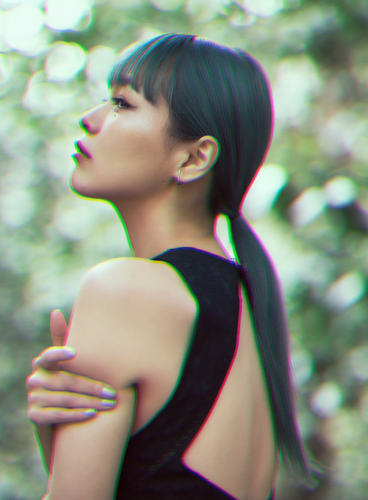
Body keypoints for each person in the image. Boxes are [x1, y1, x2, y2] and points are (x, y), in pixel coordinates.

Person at [26, 33, 322, 499]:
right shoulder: (246, 307)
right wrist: (56, 441)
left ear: (193, 158)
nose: (90, 119)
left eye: (122, 104)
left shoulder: (125, 291)